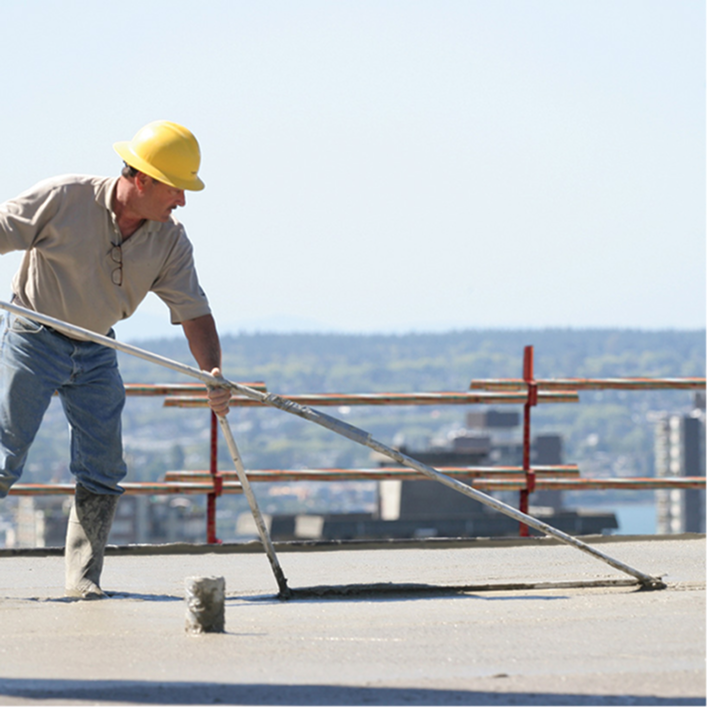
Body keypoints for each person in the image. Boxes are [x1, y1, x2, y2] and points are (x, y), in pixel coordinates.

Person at [0, 120, 231, 598]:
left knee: (103, 466)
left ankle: (84, 580)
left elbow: (195, 313)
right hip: (33, 335)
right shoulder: (64, 197)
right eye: (176, 189)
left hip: (97, 348)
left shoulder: (170, 240)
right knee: (3, 457)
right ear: (141, 179)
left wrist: (212, 373)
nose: (183, 201)